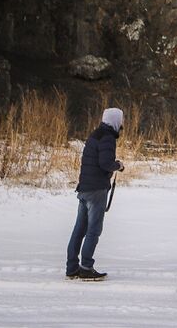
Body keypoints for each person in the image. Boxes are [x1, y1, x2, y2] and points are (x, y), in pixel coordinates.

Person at [66, 107, 125, 281]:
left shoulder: (95, 135)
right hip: (96, 190)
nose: (122, 124)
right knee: (94, 230)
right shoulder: (107, 138)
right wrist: (118, 165)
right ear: (115, 121)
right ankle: (86, 267)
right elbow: (105, 163)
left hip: (84, 188)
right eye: (121, 120)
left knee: (79, 229)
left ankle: (72, 267)